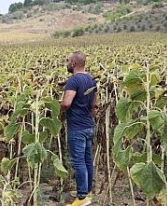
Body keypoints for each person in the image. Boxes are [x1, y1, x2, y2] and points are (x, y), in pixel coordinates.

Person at [60, 51, 97, 206]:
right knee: (87, 160)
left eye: (68, 60)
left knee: (79, 161)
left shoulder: (73, 81)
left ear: (74, 63)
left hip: (77, 127)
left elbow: (67, 103)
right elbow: (94, 104)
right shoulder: (91, 79)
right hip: (88, 126)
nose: (67, 63)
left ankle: (82, 198)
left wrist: (58, 108)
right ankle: (87, 191)